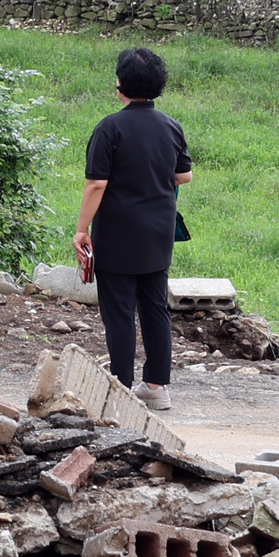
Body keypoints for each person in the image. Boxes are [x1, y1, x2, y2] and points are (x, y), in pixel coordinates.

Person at [74, 46, 194, 411]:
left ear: (120, 83)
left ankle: (121, 388)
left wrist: (81, 229)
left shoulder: (109, 128)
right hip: (159, 232)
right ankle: (156, 386)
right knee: (155, 308)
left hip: (117, 233)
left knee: (119, 312)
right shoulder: (170, 125)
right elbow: (184, 175)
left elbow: (97, 184)